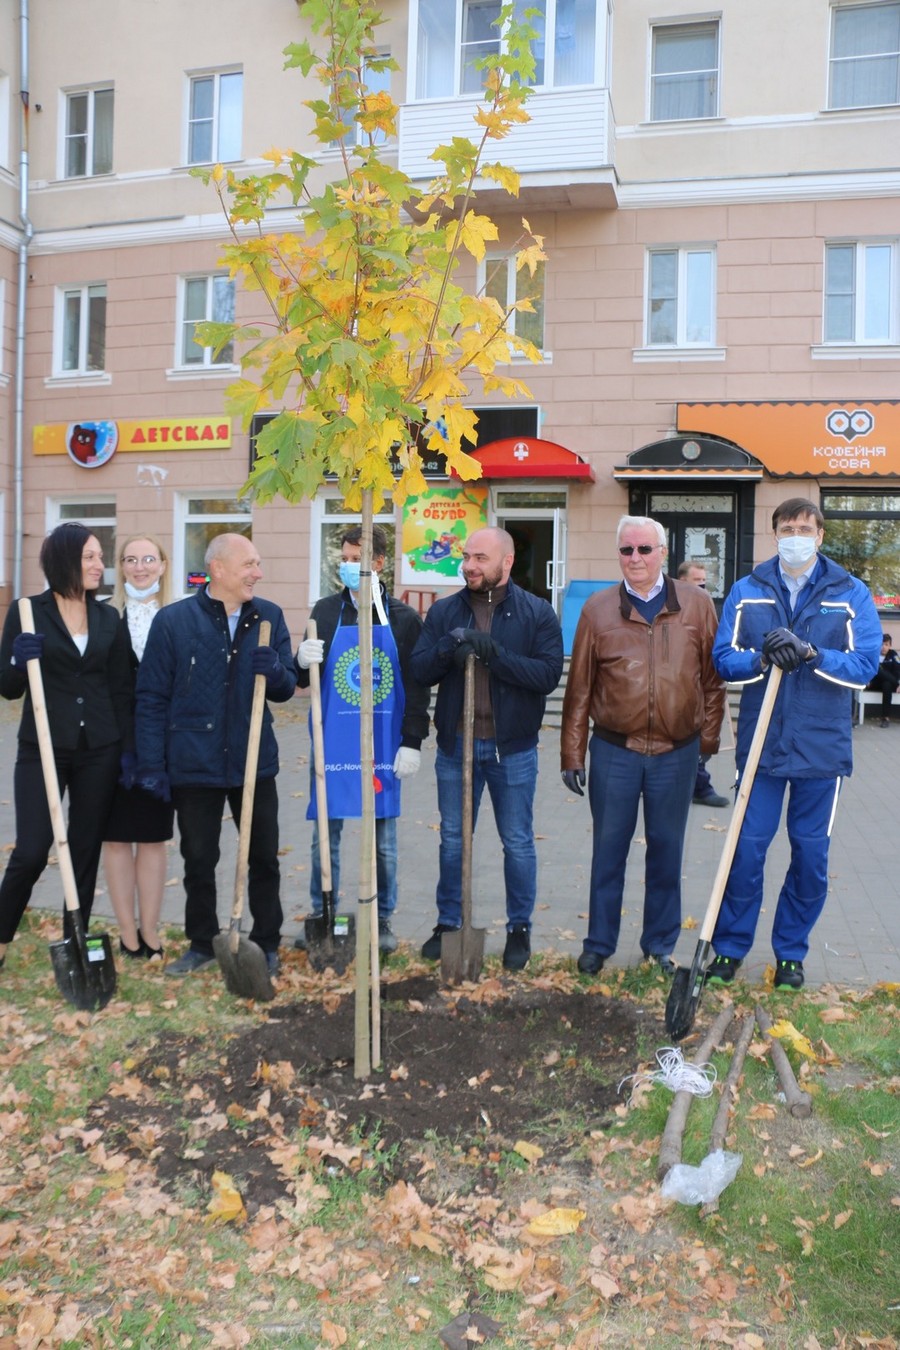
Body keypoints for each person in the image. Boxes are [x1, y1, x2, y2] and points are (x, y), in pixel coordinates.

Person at [708, 497, 881, 990]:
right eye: (787, 528)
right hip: (761, 751)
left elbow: (865, 665)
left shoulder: (850, 593)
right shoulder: (748, 590)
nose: (796, 536)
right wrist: (761, 660)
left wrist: (811, 653)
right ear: (775, 534)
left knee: (809, 857)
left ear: (820, 535)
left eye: (805, 528)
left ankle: (790, 953)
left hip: (821, 753)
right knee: (746, 853)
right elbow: (724, 658)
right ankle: (729, 948)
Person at [560, 516, 725, 976]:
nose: (635, 558)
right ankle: (599, 943)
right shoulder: (597, 609)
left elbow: (713, 682)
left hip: (677, 751)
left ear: (662, 553)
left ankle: (658, 946)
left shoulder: (696, 604)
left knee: (667, 850)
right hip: (615, 749)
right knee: (608, 851)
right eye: (627, 551)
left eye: (644, 550)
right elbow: (579, 689)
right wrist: (572, 753)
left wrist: (707, 740)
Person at [135, 533, 297, 976]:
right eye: (249, 564)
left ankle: (266, 941)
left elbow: (285, 690)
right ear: (218, 569)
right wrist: (152, 763)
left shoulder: (269, 616)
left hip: (252, 759)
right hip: (194, 759)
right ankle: (202, 942)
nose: (257, 573)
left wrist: (278, 670)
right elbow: (150, 696)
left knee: (263, 855)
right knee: (199, 857)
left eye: (258, 564)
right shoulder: (174, 622)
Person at [410, 526, 563, 971]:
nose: (469, 565)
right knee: (454, 840)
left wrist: (495, 655)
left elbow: (547, 676)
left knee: (516, 842)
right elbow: (419, 670)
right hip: (456, 747)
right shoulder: (445, 612)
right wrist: (447, 650)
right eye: (466, 556)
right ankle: (448, 922)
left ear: (506, 562)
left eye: (480, 557)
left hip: (511, 751)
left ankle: (519, 927)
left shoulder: (536, 613)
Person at [0, 523, 133, 971]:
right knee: (32, 850)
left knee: (84, 847)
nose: (101, 565)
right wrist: (18, 659)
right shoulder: (27, 612)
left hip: (99, 746)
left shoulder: (108, 618)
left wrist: (129, 750)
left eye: (101, 556)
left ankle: (74, 941)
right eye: (91, 557)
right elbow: (7, 687)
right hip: (42, 746)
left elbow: (120, 688)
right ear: (64, 561)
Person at [293, 524, 430, 954]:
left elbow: (417, 684)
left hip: (383, 744)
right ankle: (322, 913)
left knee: (384, 839)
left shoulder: (403, 619)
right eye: (345, 558)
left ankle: (382, 917)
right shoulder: (325, 612)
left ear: (378, 563)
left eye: (358, 559)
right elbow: (302, 676)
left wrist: (413, 739)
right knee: (324, 836)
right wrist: (300, 660)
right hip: (333, 741)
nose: (349, 566)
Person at [101, 535, 176, 960]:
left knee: (152, 838)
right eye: (131, 560)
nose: (140, 567)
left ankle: (150, 931)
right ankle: (126, 934)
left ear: (163, 565)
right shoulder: (106, 617)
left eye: (148, 559)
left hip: (157, 745)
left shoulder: (177, 616)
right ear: (121, 567)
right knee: (114, 840)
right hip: (112, 745)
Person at [677, 560, 730, 808]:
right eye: (696, 581)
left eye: (703, 581)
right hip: (675, 689)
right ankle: (698, 787)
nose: (702, 586)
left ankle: (698, 786)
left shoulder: (704, 605)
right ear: (681, 581)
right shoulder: (670, 606)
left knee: (696, 740)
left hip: (699, 685)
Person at [865, 632, 900, 728]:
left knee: (886, 684)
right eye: (882, 644)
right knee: (878, 671)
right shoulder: (874, 655)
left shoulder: (893, 655)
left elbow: (898, 671)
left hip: (888, 685)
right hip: (874, 684)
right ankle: (895, 683)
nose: (883, 647)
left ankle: (885, 718)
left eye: (886, 645)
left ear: (890, 646)